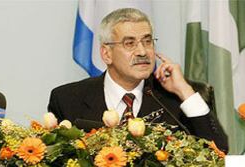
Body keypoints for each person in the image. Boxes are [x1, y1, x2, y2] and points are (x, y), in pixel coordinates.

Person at [48, 8, 228, 152]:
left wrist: (184, 91)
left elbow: (220, 151)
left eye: (148, 41)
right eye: (130, 43)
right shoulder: (67, 99)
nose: (142, 51)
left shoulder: (173, 99)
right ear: (106, 53)